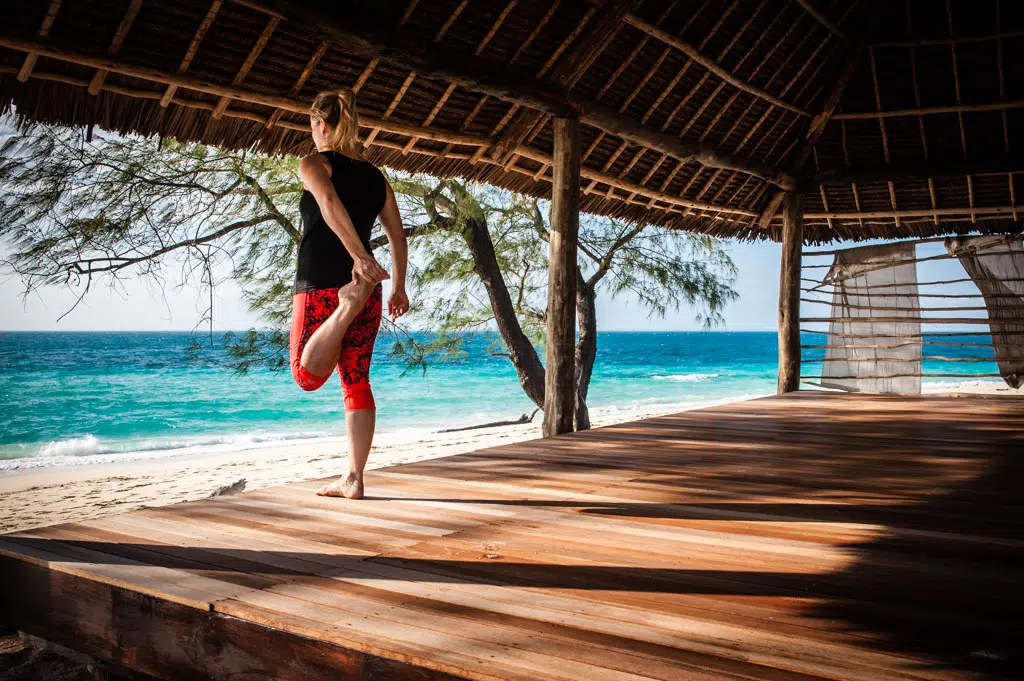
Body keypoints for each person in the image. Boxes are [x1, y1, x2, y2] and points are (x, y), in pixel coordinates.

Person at [289, 88, 409, 500]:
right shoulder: (377, 178)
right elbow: (397, 236)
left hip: (322, 284)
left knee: (306, 375)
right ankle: (354, 478)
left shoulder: (314, 163)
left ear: (321, 124)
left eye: (312, 125)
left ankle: (344, 311)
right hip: (367, 286)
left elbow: (327, 200)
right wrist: (398, 287)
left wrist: (359, 257)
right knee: (356, 381)